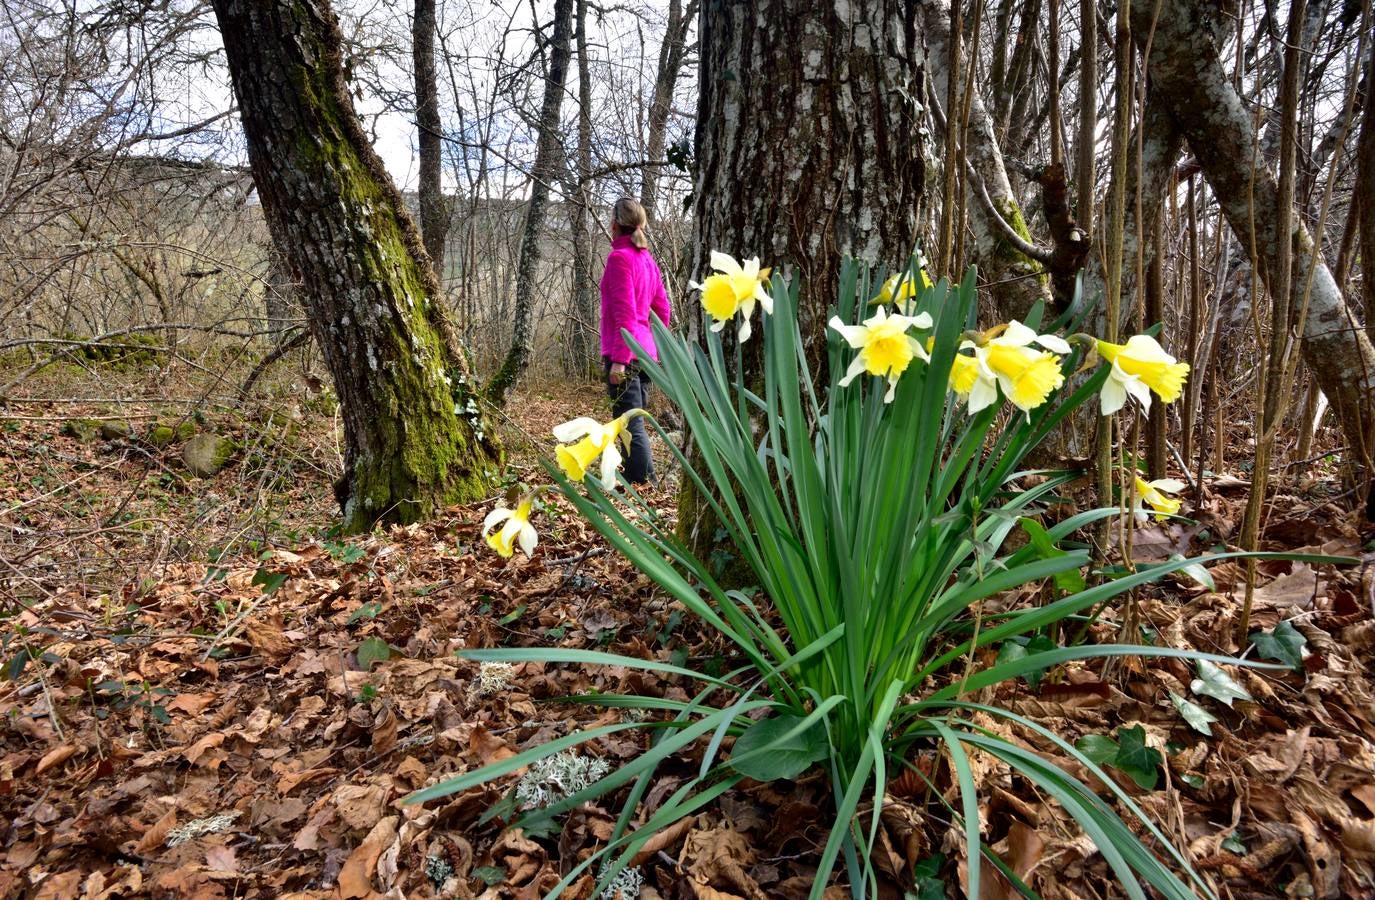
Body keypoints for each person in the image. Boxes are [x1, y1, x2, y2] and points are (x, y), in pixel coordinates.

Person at [600, 197, 671, 484]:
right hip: (645, 353)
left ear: (615, 225)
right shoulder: (647, 260)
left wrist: (619, 361)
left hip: (625, 354)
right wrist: (653, 343)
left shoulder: (619, 259)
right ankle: (641, 478)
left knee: (631, 421)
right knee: (635, 419)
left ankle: (641, 482)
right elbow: (662, 309)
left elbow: (625, 314)